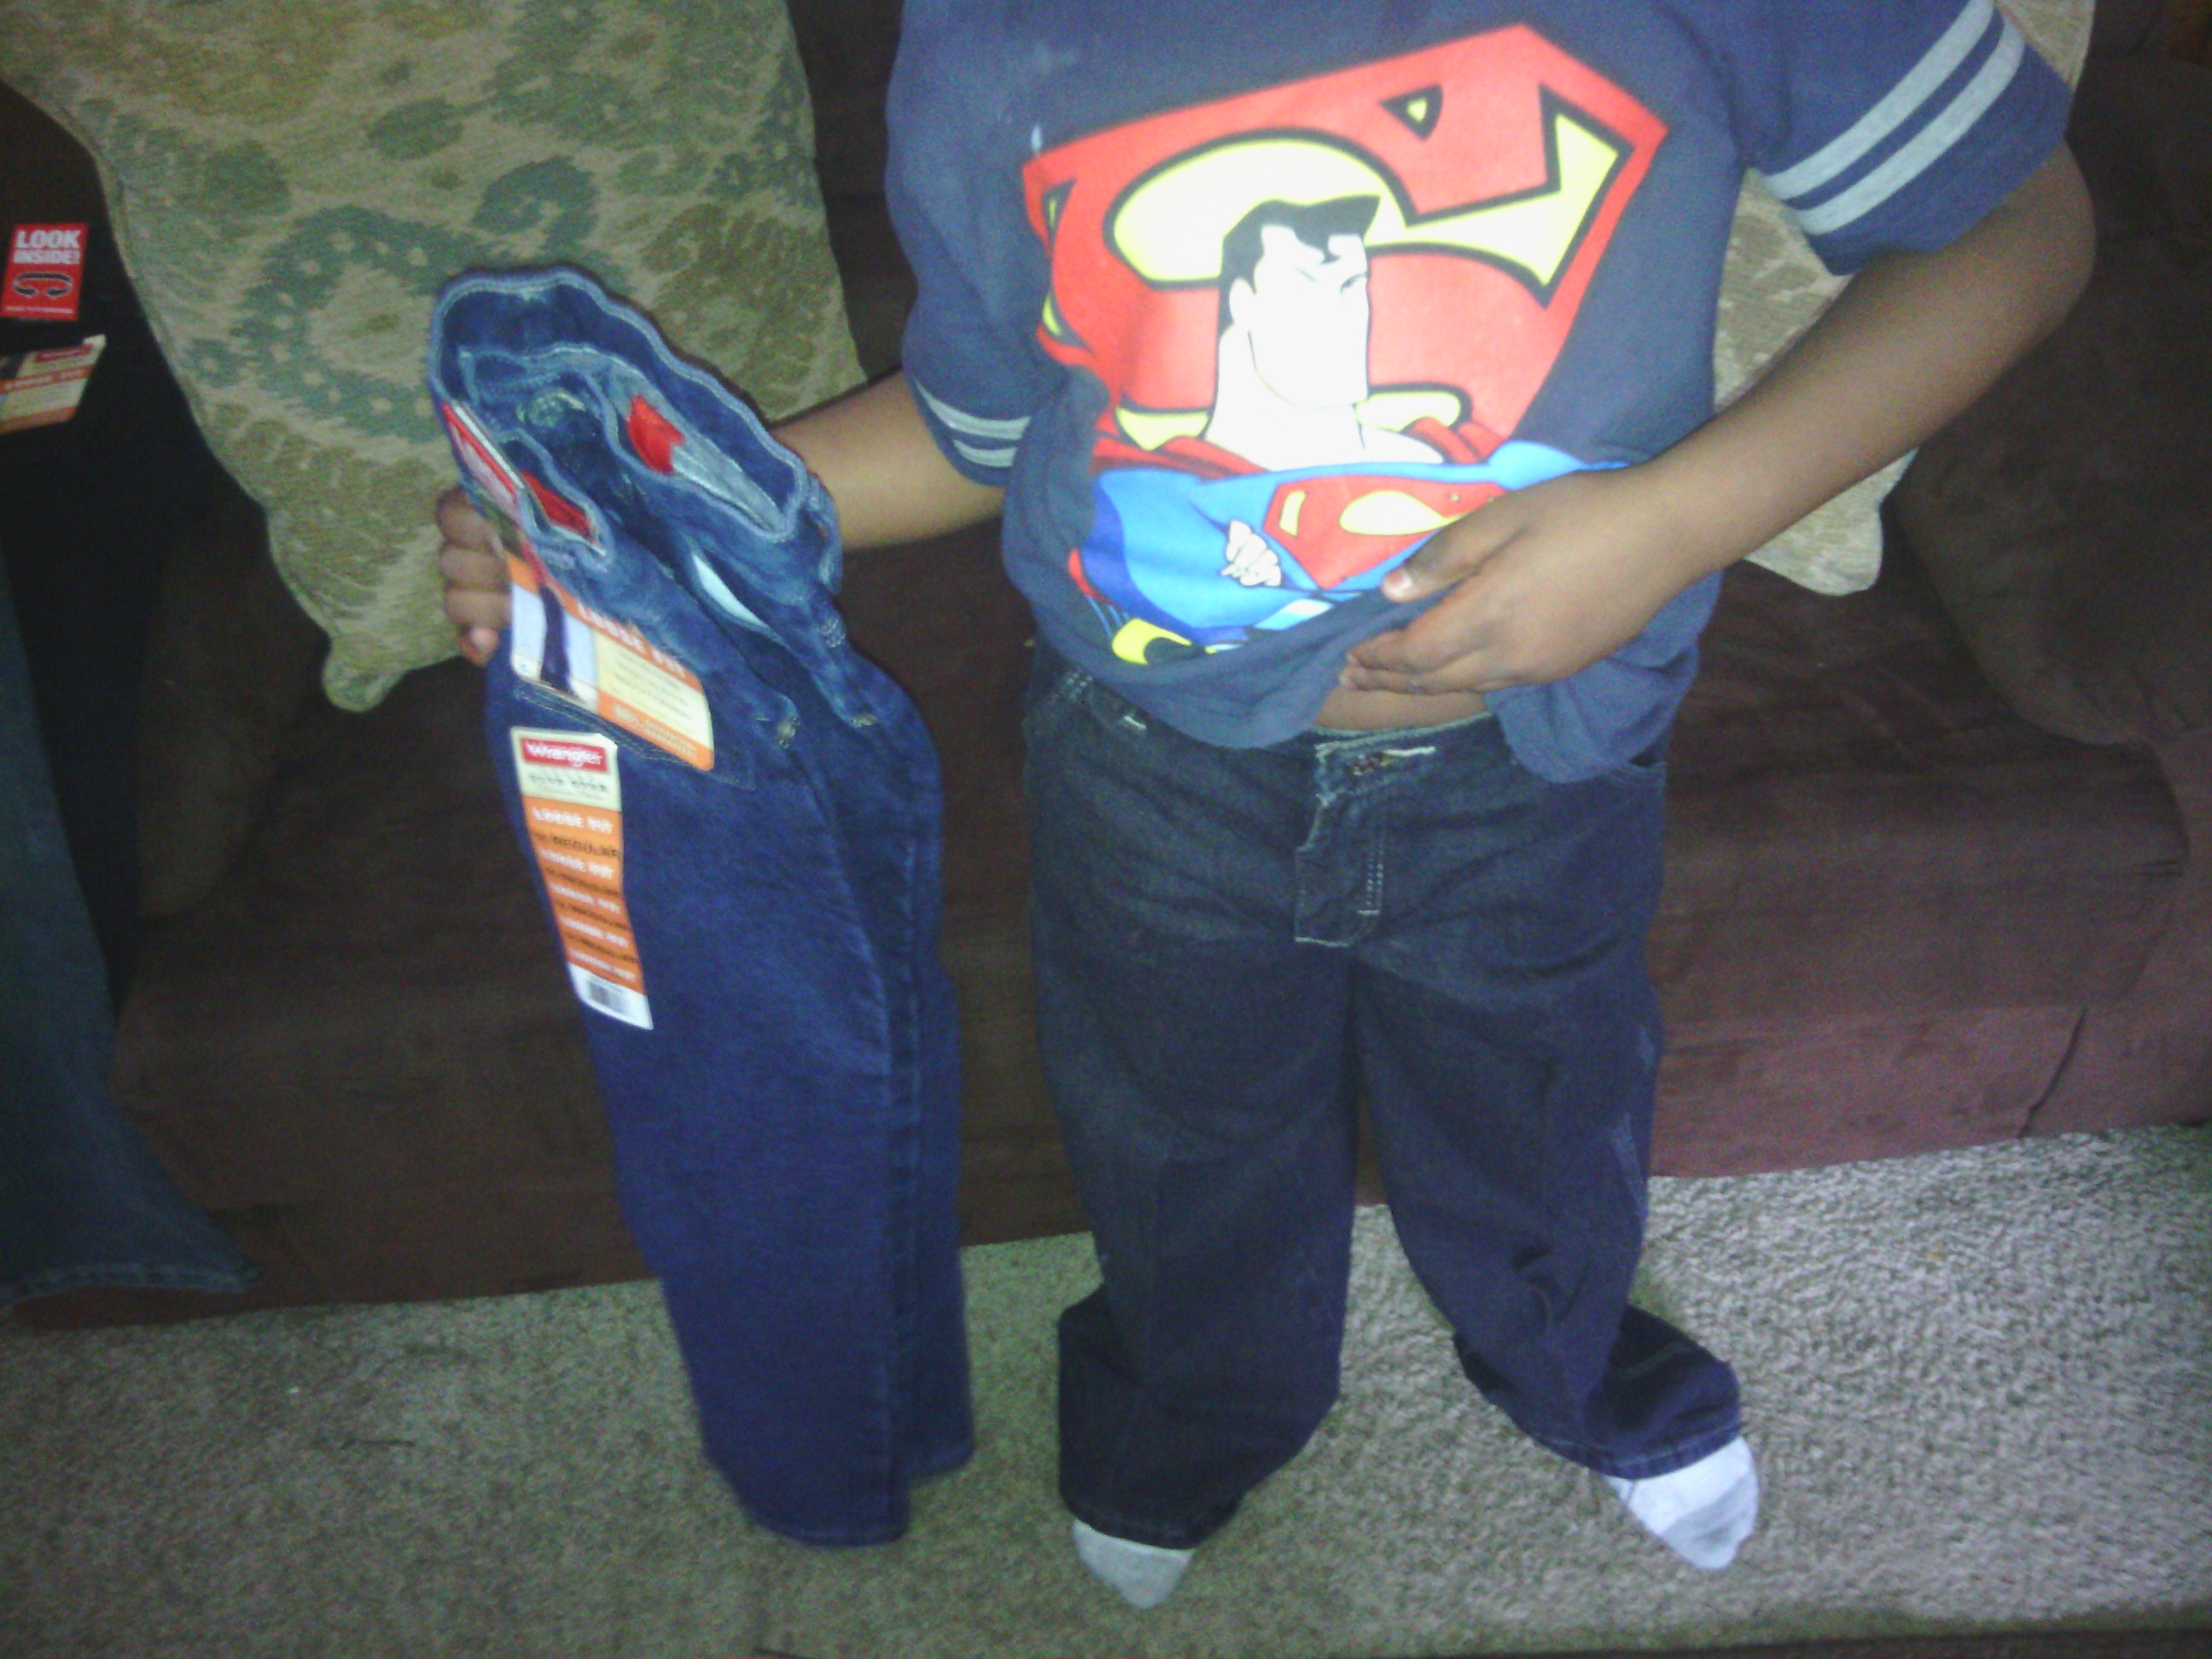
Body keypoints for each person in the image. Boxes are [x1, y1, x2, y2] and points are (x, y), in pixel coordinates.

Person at [438, 0, 2093, 1606]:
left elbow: (2019, 223)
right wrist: (633, 530)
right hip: (1150, 762)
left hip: (1538, 761)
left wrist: (1674, 520)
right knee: (1179, 1142)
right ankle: (1194, 1410)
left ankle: (1569, 1356)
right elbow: (979, 431)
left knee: (1541, 1109)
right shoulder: (990, 37)